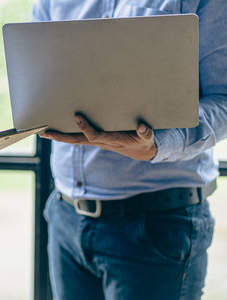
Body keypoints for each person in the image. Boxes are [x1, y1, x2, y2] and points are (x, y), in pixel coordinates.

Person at [32, 0, 227, 299]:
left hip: (157, 228)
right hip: (65, 218)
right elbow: (34, 74)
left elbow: (222, 98)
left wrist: (158, 145)